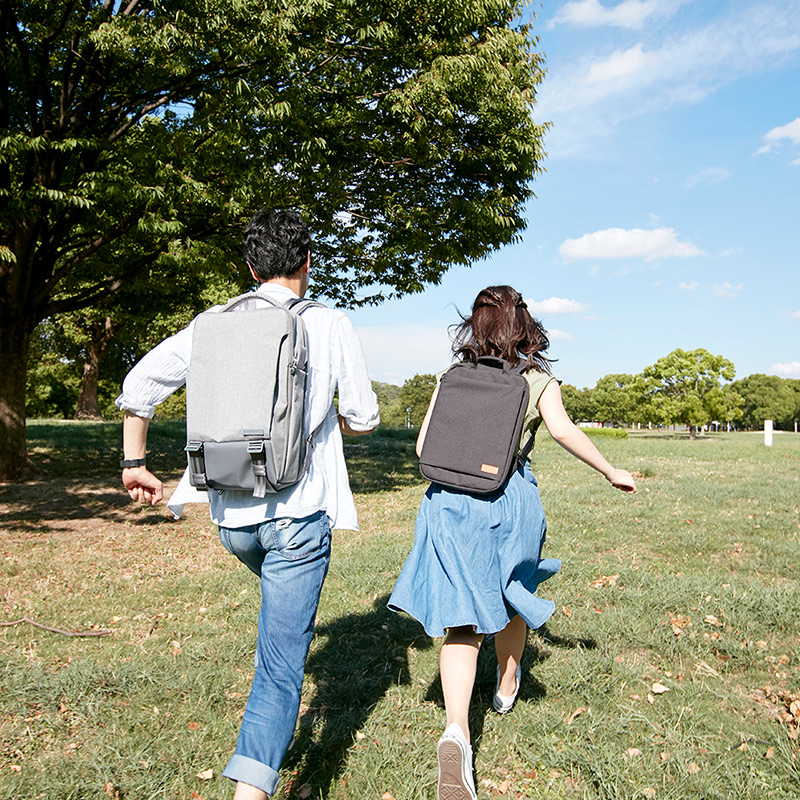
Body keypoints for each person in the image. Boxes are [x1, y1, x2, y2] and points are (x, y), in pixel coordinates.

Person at [116, 209, 380, 800]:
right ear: (309, 262)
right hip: (298, 514)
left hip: (230, 517)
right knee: (281, 667)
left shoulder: (211, 323)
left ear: (251, 265)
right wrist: (326, 420)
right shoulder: (330, 324)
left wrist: (135, 463)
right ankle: (251, 792)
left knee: (280, 619)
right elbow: (364, 416)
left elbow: (141, 385)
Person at [388, 285, 636, 800]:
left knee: (462, 618)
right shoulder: (536, 380)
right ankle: (505, 684)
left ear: (474, 326)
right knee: (512, 593)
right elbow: (564, 431)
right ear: (522, 326)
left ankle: (456, 731)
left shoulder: (450, 376)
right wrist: (611, 469)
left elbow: (422, 445)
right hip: (507, 499)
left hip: (447, 503)